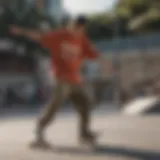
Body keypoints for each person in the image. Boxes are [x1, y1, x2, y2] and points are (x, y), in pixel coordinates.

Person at [10, 15, 99, 148]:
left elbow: (93, 55)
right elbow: (39, 36)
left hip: (75, 81)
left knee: (85, 105)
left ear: (83, 28)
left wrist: (89, 47)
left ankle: (84, 134)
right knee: (54, 107)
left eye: (80, 28)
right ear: (70, 25)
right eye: (75, 26)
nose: (77, 29)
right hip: (61, 79)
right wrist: (22, 32)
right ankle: (38, 135)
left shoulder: (82, 40)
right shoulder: (60, 36)